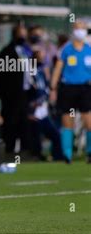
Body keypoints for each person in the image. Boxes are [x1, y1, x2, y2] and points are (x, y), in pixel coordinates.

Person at [50, 20, 91, 163]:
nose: (81, 31)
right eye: (78, 28)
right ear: (73, 31)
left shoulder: (88, 49)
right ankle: (67, 154)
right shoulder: (67, 50)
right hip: (68, 89)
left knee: (88, 120)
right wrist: (53, 87)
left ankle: (89, 152)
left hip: (85, 88)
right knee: (68, 122)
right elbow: (58, 68)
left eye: (83, 28)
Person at [0, 23, 33, 157]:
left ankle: (24, 152)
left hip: (25, 94)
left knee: (24, 124)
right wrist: (3, 93)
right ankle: (8, 152)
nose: (23, 36)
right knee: (11, 123)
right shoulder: (6, 52)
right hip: (11, 96)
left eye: (24, 33)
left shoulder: (26, 51)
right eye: (20, 34)